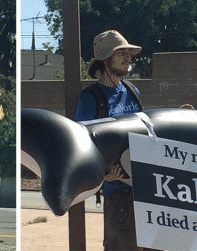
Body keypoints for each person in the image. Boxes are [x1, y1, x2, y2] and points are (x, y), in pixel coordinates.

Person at [74, 30, 158, 251]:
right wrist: (104, 175)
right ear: (106, 59)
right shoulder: (90, 99)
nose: (129, 58)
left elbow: (145, 130)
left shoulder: (132, 91)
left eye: (129, 53)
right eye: (122, 53)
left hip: (145, 191)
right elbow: (81, 145)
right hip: (117, 195)